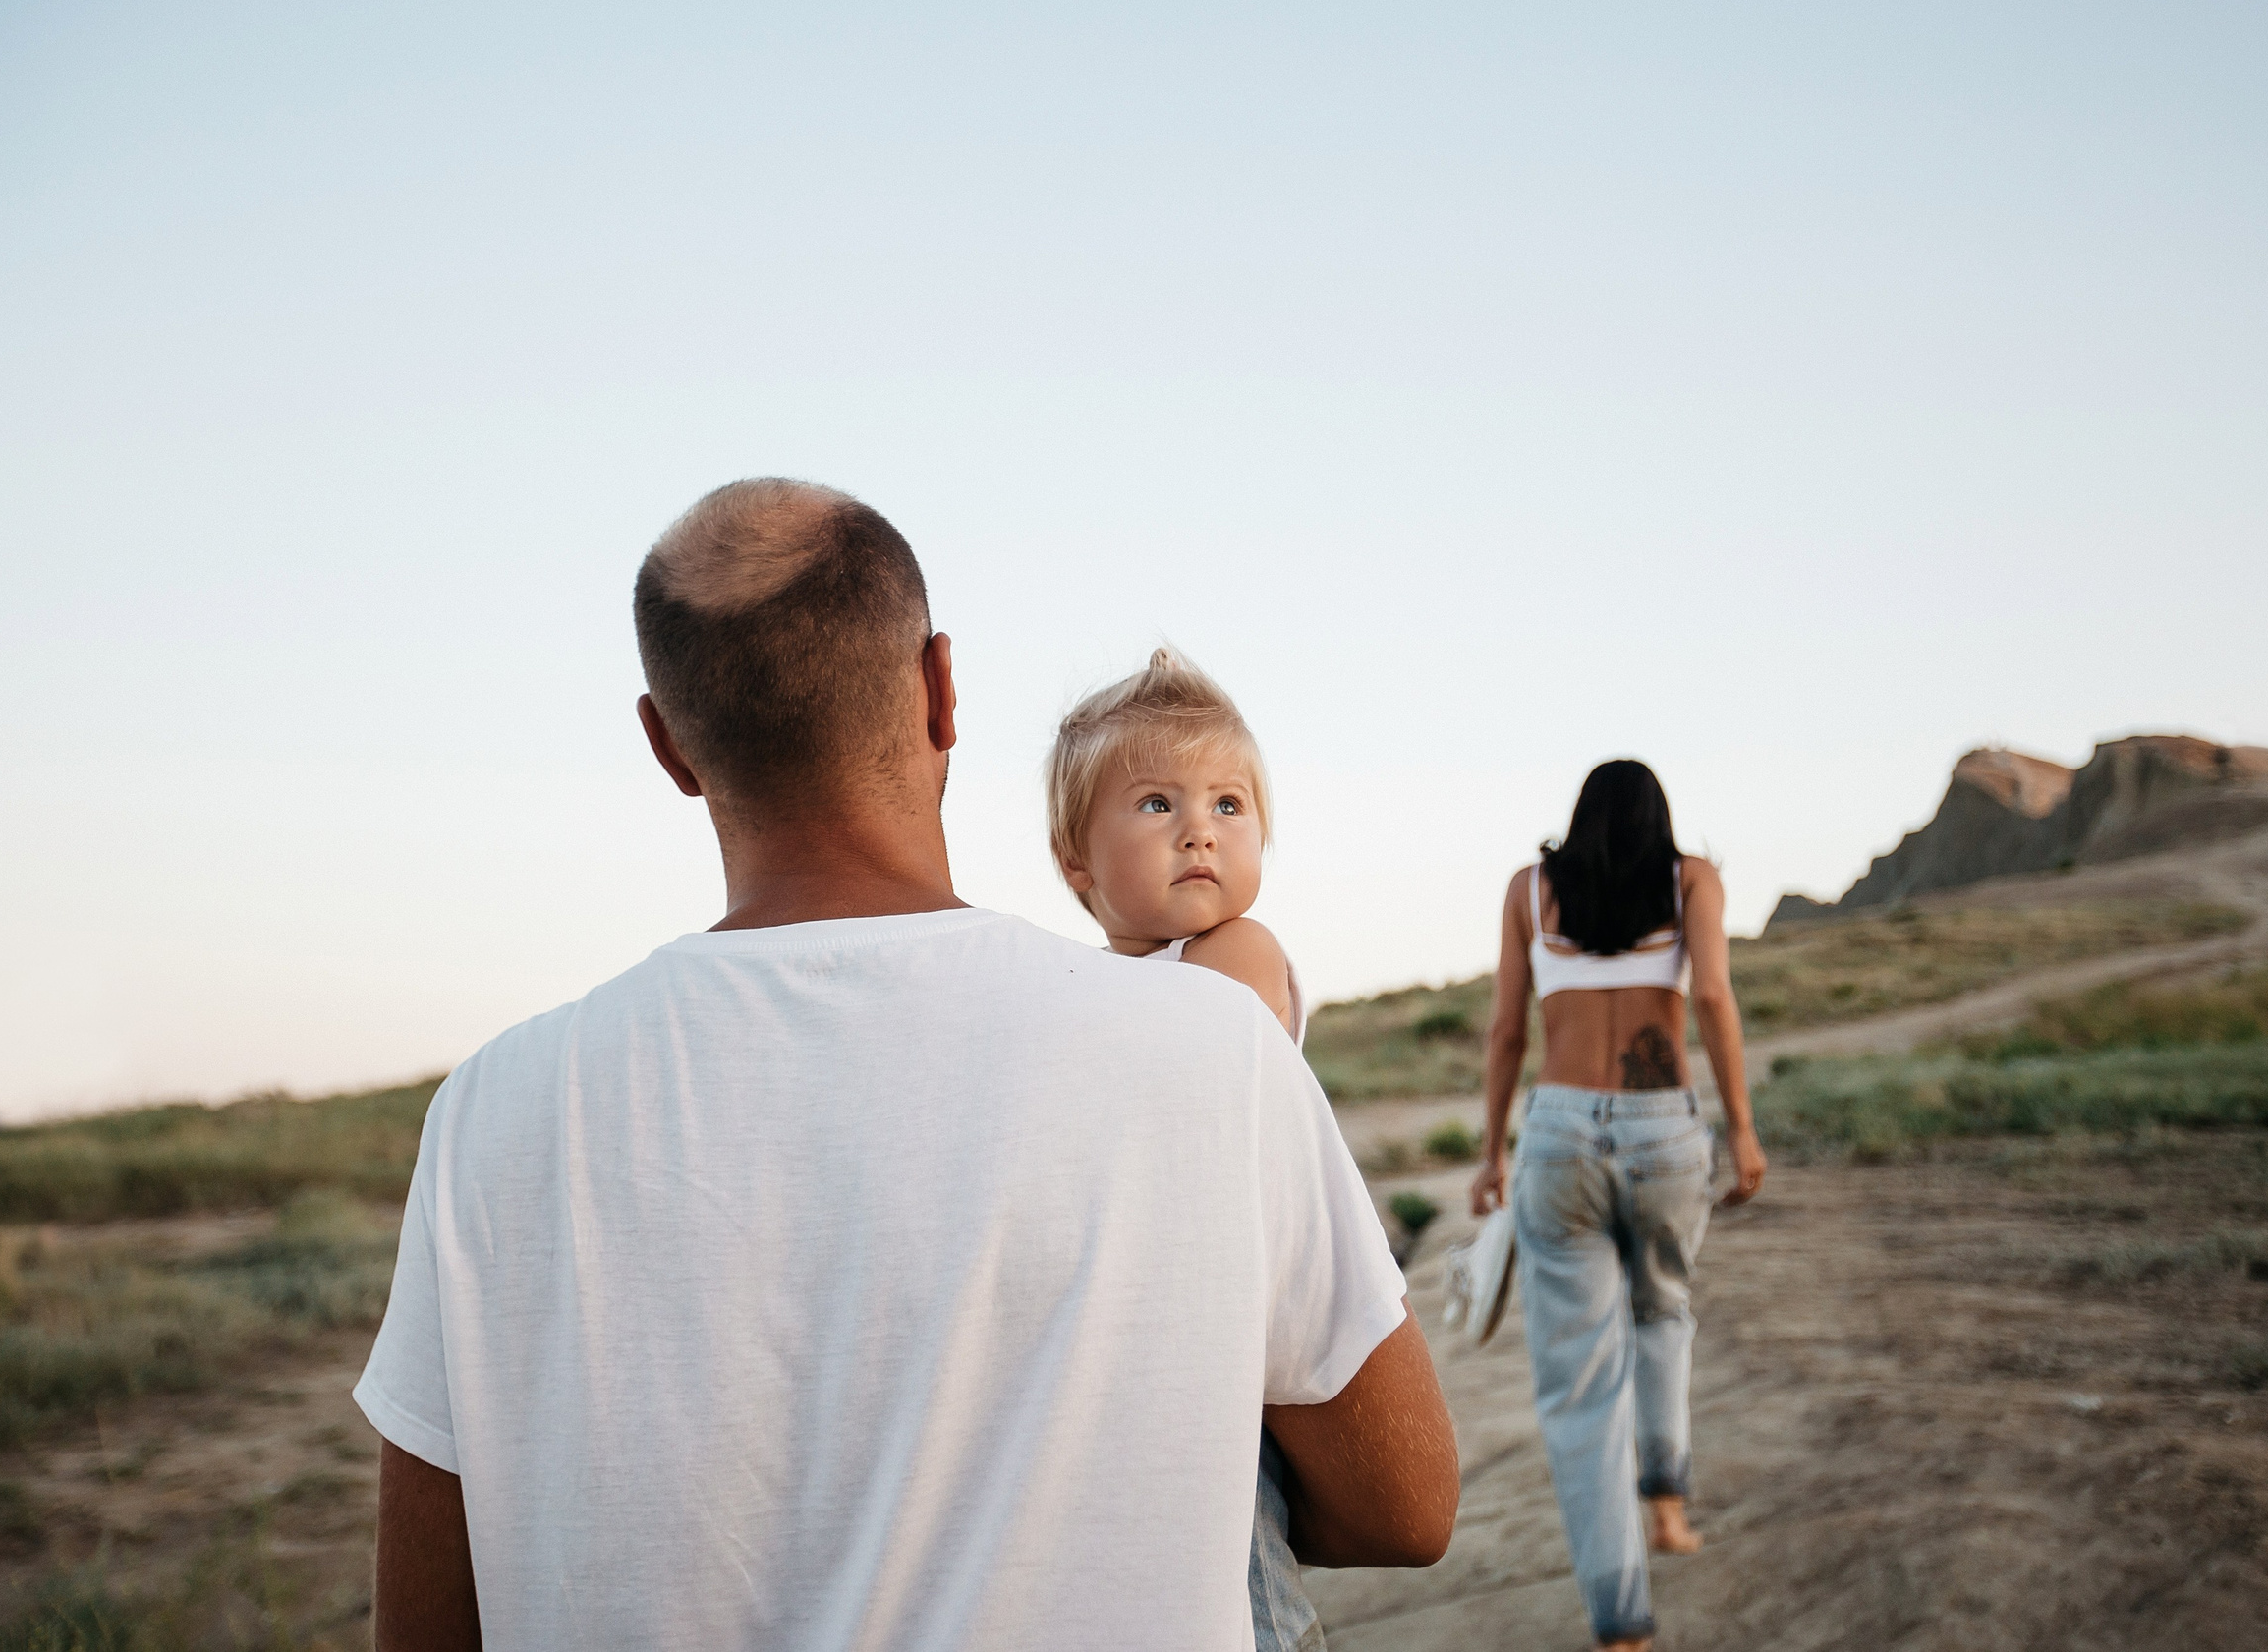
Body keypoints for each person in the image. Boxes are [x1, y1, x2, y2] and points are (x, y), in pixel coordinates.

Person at [357, 479, 1458, 1652]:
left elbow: (427, 1622)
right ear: (940, 688)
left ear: (668, 744)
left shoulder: (492, 1109)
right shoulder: (1206, 1039)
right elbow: (1407, 1505)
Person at [1044, 646, 1317, 1652]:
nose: (1200, 828)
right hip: (1134, 1352)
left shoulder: (1231, 954)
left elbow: (1181, 1095)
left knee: (1239, 1593)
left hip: (1214, 1351)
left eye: (1229, 805)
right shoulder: (1106, 988)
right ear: (1078, 864)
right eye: (1157, 804)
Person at [1465, 760, 1765, 1652]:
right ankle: (1667, 1507)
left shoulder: (1530, 889)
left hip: (1558, 1133)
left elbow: (1507, 1029)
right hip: (1664, 1129)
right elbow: (1711, 994)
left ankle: (1621, 1625)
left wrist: (1490, 1151)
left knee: (1579, 1389)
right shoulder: (1691, 879)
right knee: (1664, 1307)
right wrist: (1743, 1131)